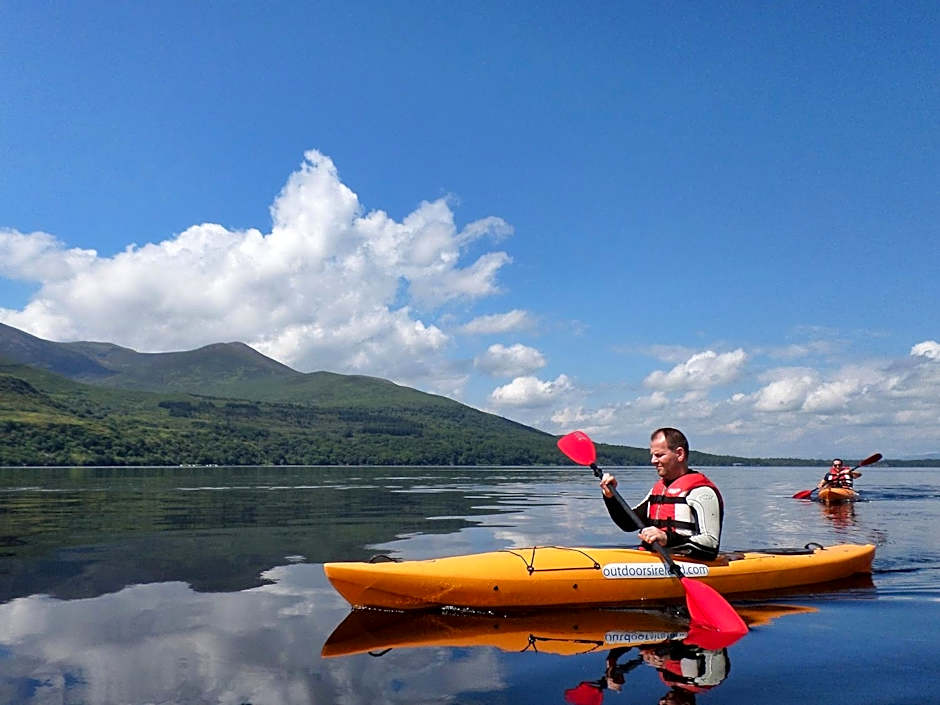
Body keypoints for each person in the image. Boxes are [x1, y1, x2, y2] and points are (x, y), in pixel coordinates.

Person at [599, 427, 723, 561]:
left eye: (659, 455)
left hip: (688, 563)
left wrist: (667, 538)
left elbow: (711, 546)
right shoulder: (658, 489)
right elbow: (627, 524)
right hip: (653, 559)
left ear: (679, 454)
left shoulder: (702, 493)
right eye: (652, 455)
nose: (652, 460)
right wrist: (610, 497)